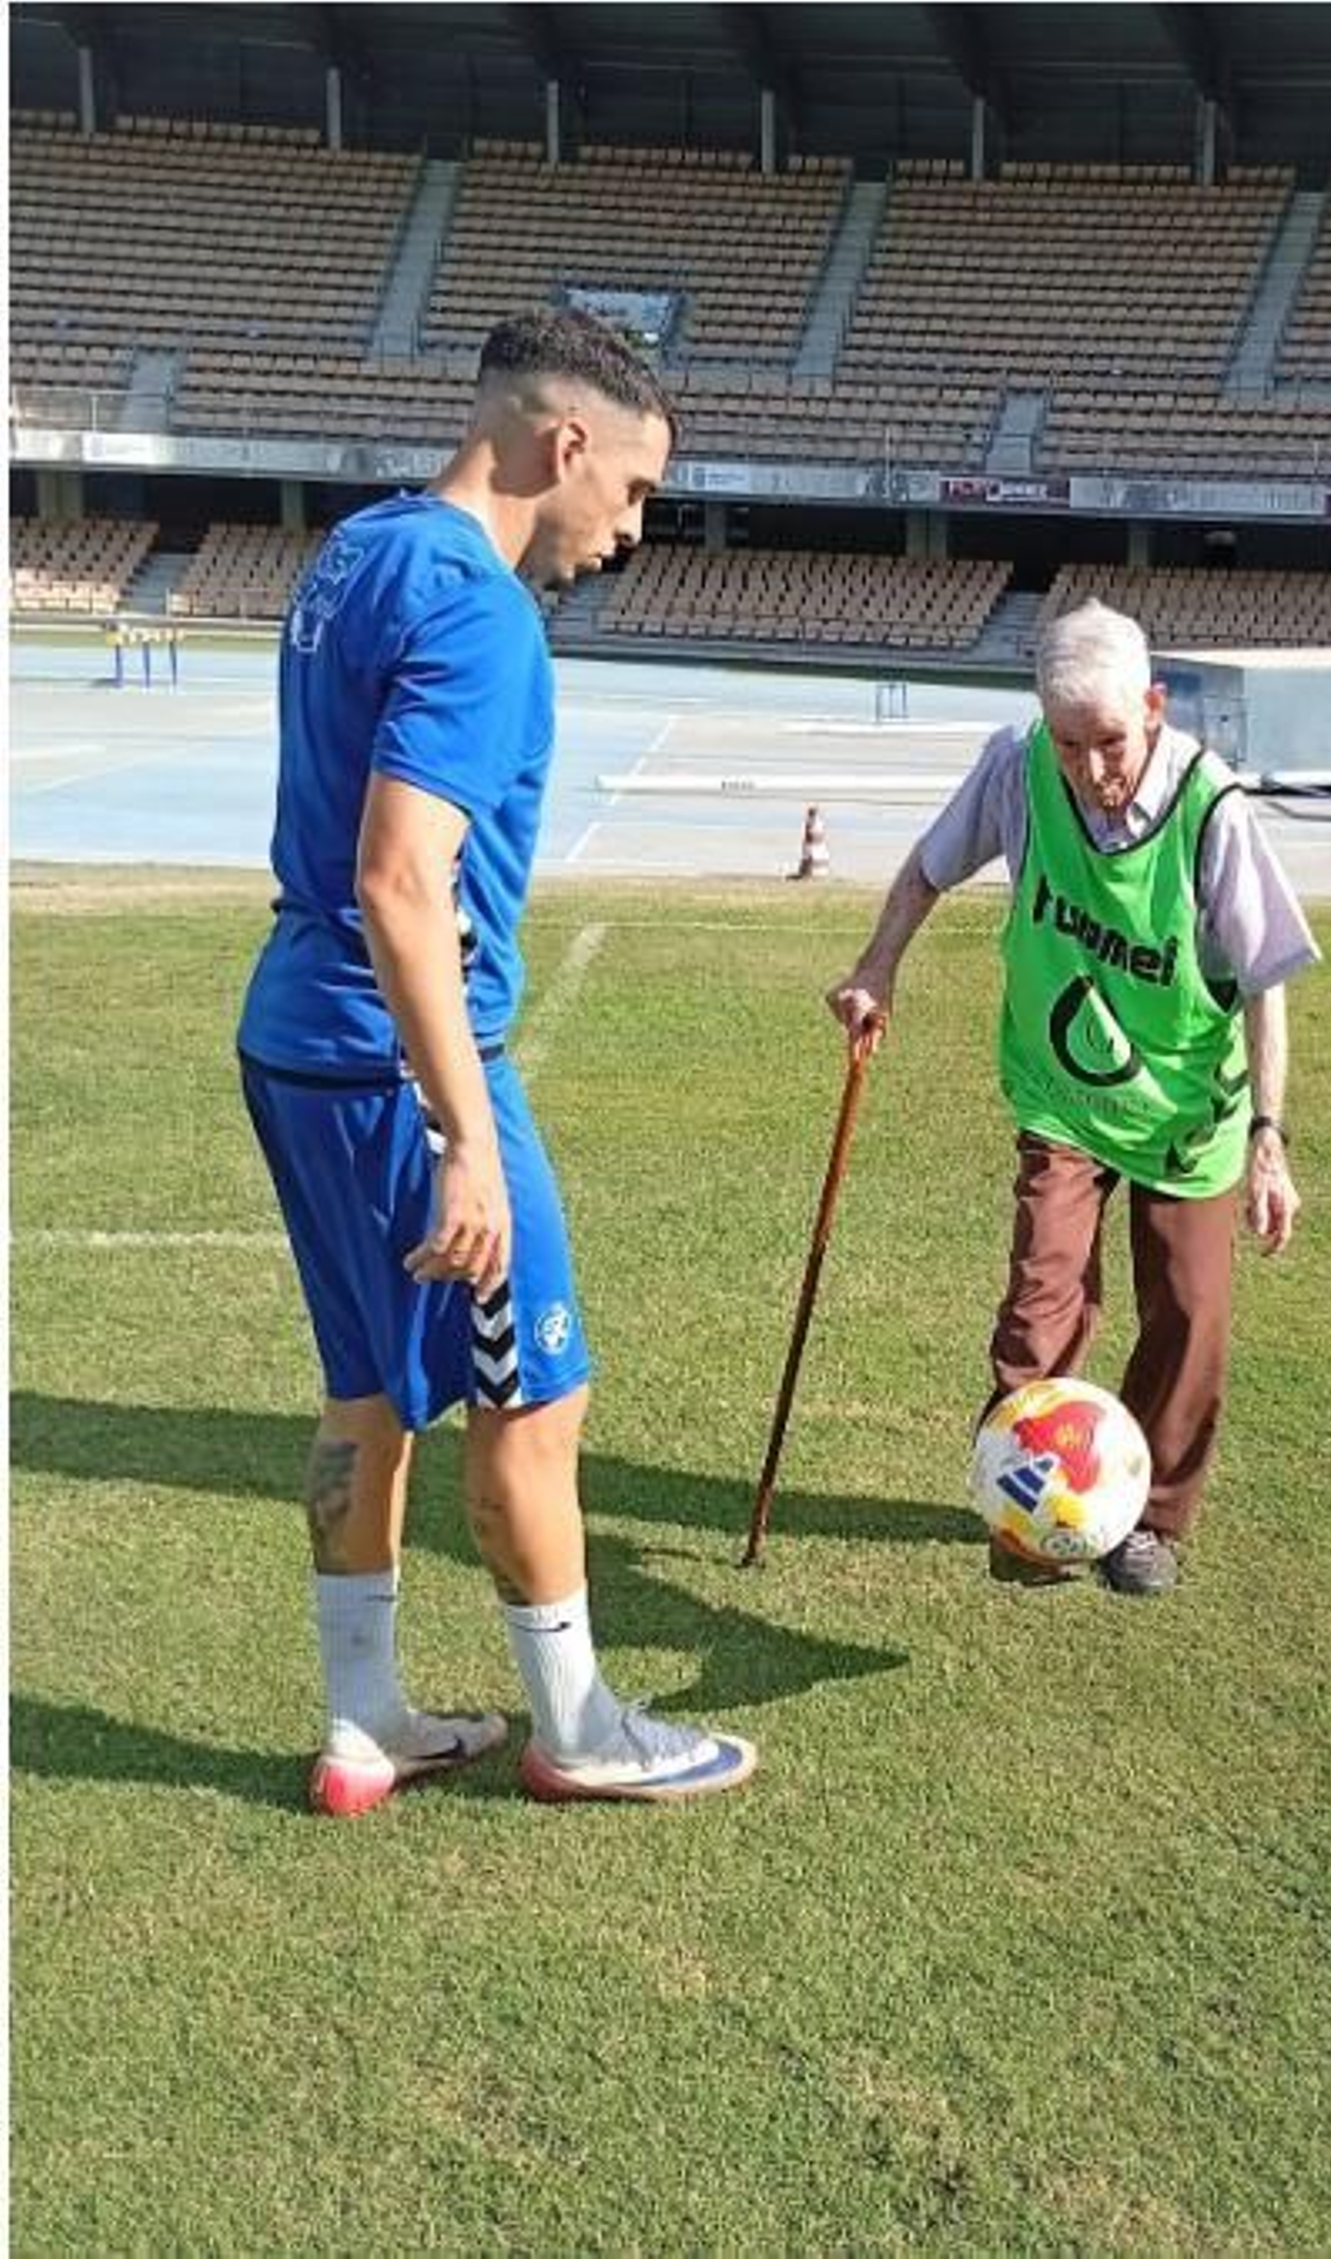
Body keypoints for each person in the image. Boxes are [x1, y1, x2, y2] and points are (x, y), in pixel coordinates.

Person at [238, 309, 756, 1810]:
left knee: (365, 1391)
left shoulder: (360, 550)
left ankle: (364, 1719)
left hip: (296, 1036)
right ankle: (580, 1724)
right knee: (534, 1394)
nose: (634, 527)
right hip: (407, 1056)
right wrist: (465, 1127)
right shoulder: (483, 611)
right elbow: (403, 874)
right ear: (565, 443)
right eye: (638, 490)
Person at [827, 599, 1319, 1596]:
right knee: (1038, 1307)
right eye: (1070, 745)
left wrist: (1268, 1138)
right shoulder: (1015, 769)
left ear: (1154, 705)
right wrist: (877, 965)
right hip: (1061, 1091)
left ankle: (1151, 1523)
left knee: (1188, 1313)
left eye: (1110, 742)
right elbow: (927, 872)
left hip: (1186, 1112)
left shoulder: (1210, 810)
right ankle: (1028, 1506)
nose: (1093, 771)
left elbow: (1265, 982)